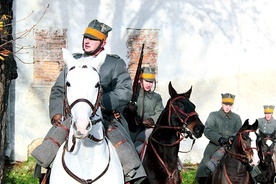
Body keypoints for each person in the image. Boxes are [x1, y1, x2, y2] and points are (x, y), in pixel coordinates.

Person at [33, 19, 146, 183]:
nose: (87, 41)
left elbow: (125, 91)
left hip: (107, 116)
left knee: (127, 153)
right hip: (74, 114)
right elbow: (59, 89)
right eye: (86, 37)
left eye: (92, 38)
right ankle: (44, 176)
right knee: (47, 148)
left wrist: (99, 104)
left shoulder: (114, 63)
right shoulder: (73, 61)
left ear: (103, 42)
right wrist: (57, 113)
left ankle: (131, 178)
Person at [195, 93, 242, 184]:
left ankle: (254, 178)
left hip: (231, 147)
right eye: (225, 105)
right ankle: (203, 180)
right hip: (214, 145)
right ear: (222, 103)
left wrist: (232, 138)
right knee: (205, 165)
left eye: (230, 105)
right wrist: (219, 139)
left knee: (245, 163)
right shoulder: (213, 115)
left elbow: (239, 132)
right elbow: (207, 130)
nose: (227, 107)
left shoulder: (236, 118)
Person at [126, 66, 164, 159]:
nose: (149, 84)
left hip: (149, 130)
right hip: (132, 131)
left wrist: (152, 120)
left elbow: (160, 112)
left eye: (151, 82)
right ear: (140, 80)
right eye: (146, 81)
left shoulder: (157, 97)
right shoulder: (131, 95)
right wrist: (129, 110)